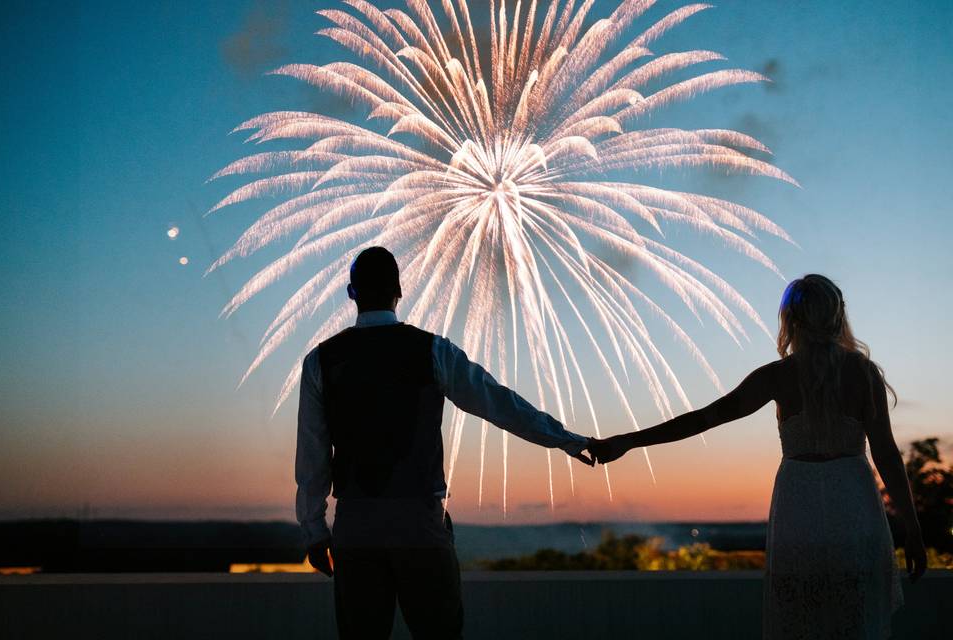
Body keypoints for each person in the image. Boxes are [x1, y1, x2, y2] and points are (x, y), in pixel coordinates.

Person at [589, 274, 926, 639]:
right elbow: (887, 455)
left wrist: (629, 441)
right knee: (854, 619)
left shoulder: (777, 377)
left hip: (799, 510)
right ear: (837, 314)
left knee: (802, 619)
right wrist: (912, 528)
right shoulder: (863, 374)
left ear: (790, 319)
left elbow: (703, 418)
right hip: (854, 507)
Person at [295, 246, 593, 640]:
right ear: (399, 290)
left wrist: (314, 530)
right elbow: (499, 403)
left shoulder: (321, 361)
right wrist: (567, 440)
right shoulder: (432, 350)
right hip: (420, 522)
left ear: (352, 293)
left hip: (355, 525)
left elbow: (312, 455)